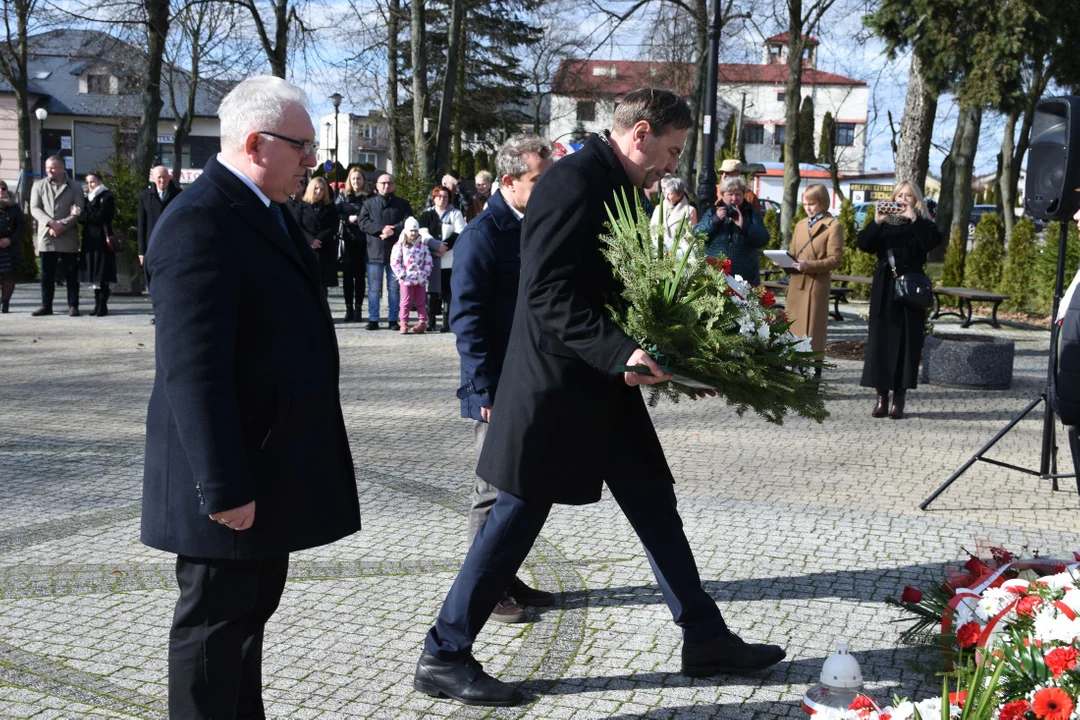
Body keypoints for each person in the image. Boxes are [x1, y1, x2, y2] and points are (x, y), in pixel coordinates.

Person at [414, 88, 785, 708]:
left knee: (654, 504)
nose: (673, 164)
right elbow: (546, 292)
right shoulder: (573, 180)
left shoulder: (618, 184)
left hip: (602, 388)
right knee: (514, 517)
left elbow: (615, 285)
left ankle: (704, 637)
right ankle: (444, 653)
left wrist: (676, 341)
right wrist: (620, 353)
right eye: (670, 150)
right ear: (640, 133)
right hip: (556, 390)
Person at [140, 75, 361, 719]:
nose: (313, 161)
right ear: (258, 143)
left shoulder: (265, 211)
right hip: (229, 482)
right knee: (212, 634)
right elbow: (192, 370)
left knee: (244, 628)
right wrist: (224, 487)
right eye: (303, 147)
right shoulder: (199, 222)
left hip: (266, 468)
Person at [449, 134, 556, 625]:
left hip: (530, 380)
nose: (549, 186)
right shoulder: (482, 234)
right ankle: (482, 592)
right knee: (490, 492)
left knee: (522, 487)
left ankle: (503, 574)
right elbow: (466, 317)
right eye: (540, 179)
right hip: (496, 389)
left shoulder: (532, 223)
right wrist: (485, 389)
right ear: (509, 181)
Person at [856, 180, 942, 420]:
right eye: (900, 195)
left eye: (909, 196)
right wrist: (877, 221)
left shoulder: (923, 224)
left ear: (916, 200)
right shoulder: (885, 223)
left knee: (907, 344)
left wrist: (914, 219)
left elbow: (931, 243)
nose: (903, 200)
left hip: (910, 289)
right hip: (885, 287)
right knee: (880, 342)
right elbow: (863, 244)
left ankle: (899, 399)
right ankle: (881, 398)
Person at [786, 183, 844, 369]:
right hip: (797, 284)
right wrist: (784, 261)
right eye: (805, 204)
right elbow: (793, 252)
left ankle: (812, 376)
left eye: (812, 204)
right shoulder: (801, 225)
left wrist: (808, 265)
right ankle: (793, 372)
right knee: (793, 329)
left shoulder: (833, 226)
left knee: (812, 333)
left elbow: (835, 260)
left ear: (822, 203)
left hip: (816, 284)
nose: (808, 208)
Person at [30, 155, 85, 316]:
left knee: (71, 273)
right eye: (47, 168)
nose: (49, 171)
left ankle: (73, 305)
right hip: (47, 234)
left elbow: (78, 211)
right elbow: (35, 208)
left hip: (67, 234)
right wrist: (51, 223)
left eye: (52, 167)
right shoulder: (38, 185)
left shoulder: (75, 187)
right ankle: (46, 305)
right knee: (47, 273)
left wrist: (62, 225)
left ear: (62, 167)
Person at [359, 173, 412, 331]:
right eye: (383, 183)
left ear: (394, 186)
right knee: (374, 288)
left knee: (394, 287)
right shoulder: (368, 203)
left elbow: (409, 221)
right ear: (376, 185)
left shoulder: (402, 204)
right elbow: (363, 222)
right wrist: (381, 229)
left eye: (389, 183)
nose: (386, 186)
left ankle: (393, 319)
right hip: (374, 251)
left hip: (396, 252)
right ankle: (373, 319)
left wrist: (393, 230)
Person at [694, 175, 769, 285]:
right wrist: (715, 220)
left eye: (738, 194)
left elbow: (763, 239)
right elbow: (697, 234)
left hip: (744, 278)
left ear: (744, 195)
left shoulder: (751, 214)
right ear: (723, 195)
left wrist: (744, 225)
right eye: (730, 194)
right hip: (715, 274)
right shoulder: (712, 213)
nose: (734, 198)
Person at [419, 185, 466, 332]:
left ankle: (447, 322)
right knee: (431, 291)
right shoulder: (426, 214)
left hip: (449, 259)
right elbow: (423, 233)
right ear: (433, 198)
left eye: (445, 197)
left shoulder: (455, 213)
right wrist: (436, 245)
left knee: (447, 291)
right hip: (431, 258)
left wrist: (445, 246)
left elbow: (460, 231)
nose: (442, 199)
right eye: (439, 196)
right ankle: (430, 321)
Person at [77, 171, 117, 317]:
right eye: (87, 183)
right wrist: (80, 215)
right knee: (94, 273)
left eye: (92, 182)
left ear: (99, 181)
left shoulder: (107, 197)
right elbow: (84, 219)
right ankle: (97, 304)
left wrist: (81, 214)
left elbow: (100, 217)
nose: (90, 185)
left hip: (102, 239)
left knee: (103, 273)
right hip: (89, 239)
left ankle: (103, 305)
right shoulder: (88, 198)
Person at [336, 167, 370, 321]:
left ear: (363, 180)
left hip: (364, 240)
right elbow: (335, 213)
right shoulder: (343, 196)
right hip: (347, 239)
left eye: (359, 178)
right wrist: (346, 219)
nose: (356, 181)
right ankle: (348, 309)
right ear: (349, 180)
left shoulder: (369, 197)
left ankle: (358, 309)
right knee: (348, 276)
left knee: (360, 276)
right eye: (354, 178)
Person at [390, 216, 433, 334]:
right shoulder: (400, 245)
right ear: (406, 231)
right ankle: (403, 322)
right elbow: (395, 261)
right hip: (406, 279)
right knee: (406, 302)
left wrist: (425, 273)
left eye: (415, 230)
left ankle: (422, 322)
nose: (413, 233)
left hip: (420, 279)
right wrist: (402, 275)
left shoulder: (423, 246)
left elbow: (428, 260)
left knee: (421, 302)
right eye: (411, 230)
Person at [301, 176, 340, 297]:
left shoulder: (330, 208)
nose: (319, 191)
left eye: (322, 189)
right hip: (307, 249)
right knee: (307, 284)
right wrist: (311, 240)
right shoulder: (302, 206)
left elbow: (334, 226)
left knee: (323, 286)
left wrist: (319, 239)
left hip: (325, 249)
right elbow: (297, 225)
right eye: (316, 188)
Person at [138, 166, 181, 266]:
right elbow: (141, 225)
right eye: (159, 177)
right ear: (153, 178)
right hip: (152, 245)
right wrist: (141, 251)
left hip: (173, 245)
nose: (162, 180)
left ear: (170, 177)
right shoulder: (145, 197)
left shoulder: (179, 195)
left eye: (165, 177)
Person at [650, 173, 697, 258]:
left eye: (670, 194)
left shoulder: (690, 211)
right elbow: (652, 230)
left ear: (679, 194)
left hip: (678, 256)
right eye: (665, 193)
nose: (666, 197)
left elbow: (690, 237)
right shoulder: (658, 208)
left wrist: (673, 248)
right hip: (659, 255)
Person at [0, 179, 24, 313]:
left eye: (3, 188)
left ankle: (5, 303)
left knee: (9, 275)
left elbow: (21, 226)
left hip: (11, 246)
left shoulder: (14, 207)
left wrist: (10, 239)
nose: (0, 191)